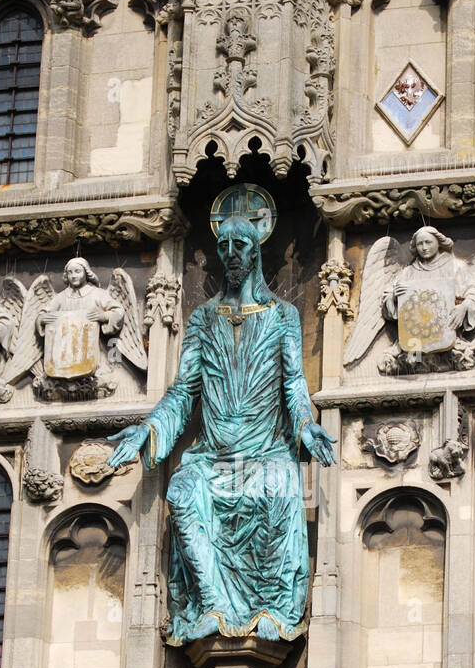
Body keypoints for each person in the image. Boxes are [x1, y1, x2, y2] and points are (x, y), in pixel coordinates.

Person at [106, 216, 335, 645]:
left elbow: (294, 383)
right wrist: (148, 430)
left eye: (240, 245)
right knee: (182, 490)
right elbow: (182, 392)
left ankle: (272, 608)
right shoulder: (202, 320)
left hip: (264, 451)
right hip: (213, 456)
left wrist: (305, 426)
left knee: (277, 486)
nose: (230, 252)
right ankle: (211, 605)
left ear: (255, 252)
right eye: (224, 245)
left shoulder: (282, 315)